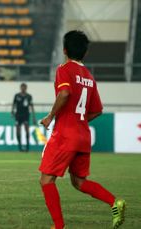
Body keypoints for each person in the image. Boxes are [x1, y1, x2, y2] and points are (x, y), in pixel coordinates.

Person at [39, 30, 125, 229]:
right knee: (78, 181)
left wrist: (51, 116)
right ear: (85, 53)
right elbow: (98, 110)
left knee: (46, 180)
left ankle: (59, 226)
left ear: (64, 50)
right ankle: (115, 202)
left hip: (65, 134)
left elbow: (65, 93)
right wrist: (79, 120)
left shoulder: (64, 68)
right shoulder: (89, 76)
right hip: (82, 135)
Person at [11, 83, 36, 152]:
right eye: (22, 87)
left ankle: (27, 147)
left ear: (26, 88)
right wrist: (12, 112)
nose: (23, 88)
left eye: (24, 87)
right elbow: (14, 104)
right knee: (18, 131)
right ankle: (20, 147)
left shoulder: (29, 96)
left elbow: (31, 106)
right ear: (20, 88)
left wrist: (33, 117)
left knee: (26, 130)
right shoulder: (17, 96)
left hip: (26, 115)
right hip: (18, 115)